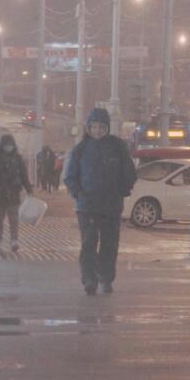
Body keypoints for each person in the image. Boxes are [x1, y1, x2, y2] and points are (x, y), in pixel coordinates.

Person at [65, 107, 137, 296]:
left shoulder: (117, 147)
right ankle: (89, 280)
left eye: (101, 127)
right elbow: (70, 176)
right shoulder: (81, 149)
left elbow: (129, 172)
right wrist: (78, 193)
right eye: (93, 126)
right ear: (88, 128)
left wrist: (123, 190)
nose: (97, 130)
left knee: (109, 244)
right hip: (87, 206)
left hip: (111, 206)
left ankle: (106, 278)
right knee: (88, 243)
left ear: (107, 128)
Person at [0, 134, 31, 254]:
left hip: (14, 192)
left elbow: (24, 175)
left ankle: (14, 240)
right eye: (6, 145)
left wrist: (29, 188)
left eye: (10, 145)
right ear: (2, 145)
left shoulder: (18, 159)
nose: (8, 147)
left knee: (13, 218)